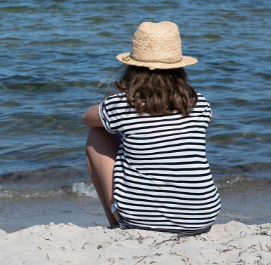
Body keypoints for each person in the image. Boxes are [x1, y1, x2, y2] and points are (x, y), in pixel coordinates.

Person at [83, 21, 221, 236]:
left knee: (97, 134)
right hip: (201, 218)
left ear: (132, 67)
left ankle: (115, 220)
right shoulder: (198, 102)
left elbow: (87, 119)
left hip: (142, 221)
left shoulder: (121, 104)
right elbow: (208, 119)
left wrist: (114, 107)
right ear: (179, 68)